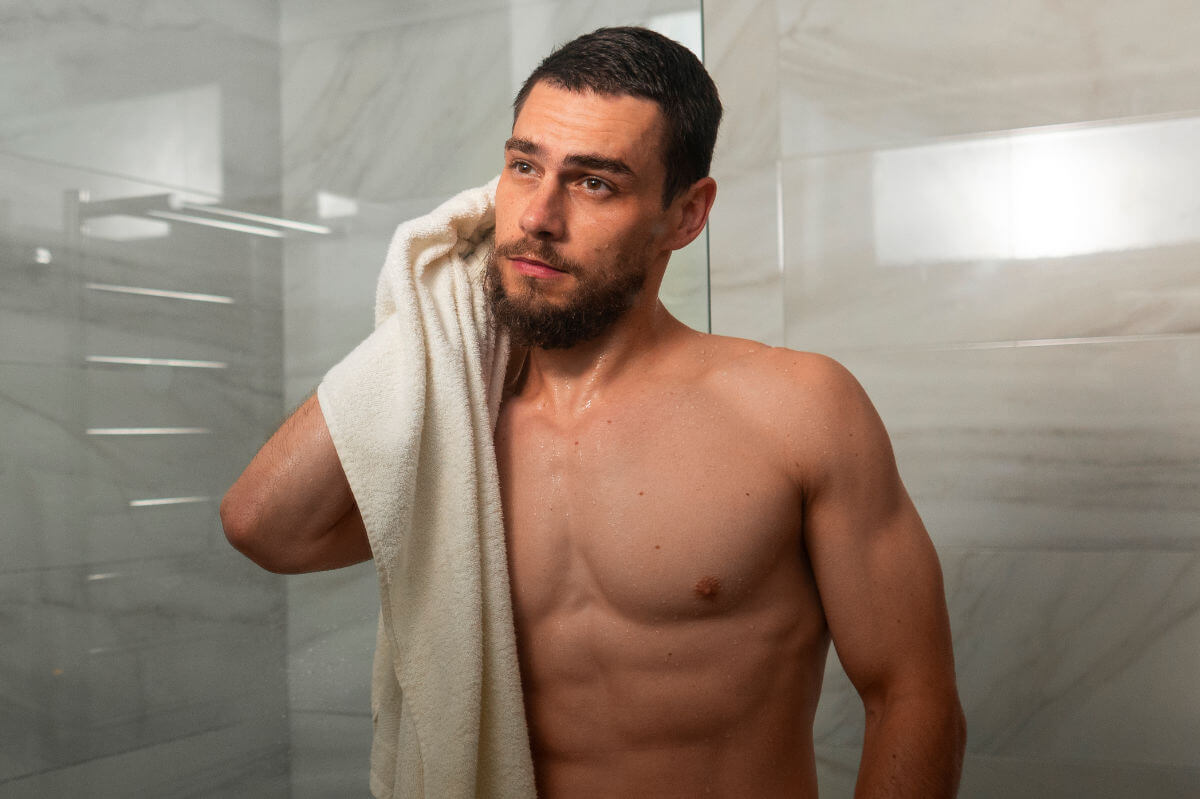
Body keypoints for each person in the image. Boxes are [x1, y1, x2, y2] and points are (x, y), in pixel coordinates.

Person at [222, 26, 966, 798]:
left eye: (594, 182)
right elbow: (265, 525)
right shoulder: (460, 432)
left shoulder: (797, 409)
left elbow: (912, 695)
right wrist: (429, 310)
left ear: (685, 216)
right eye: (523, 167)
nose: (537, 216)